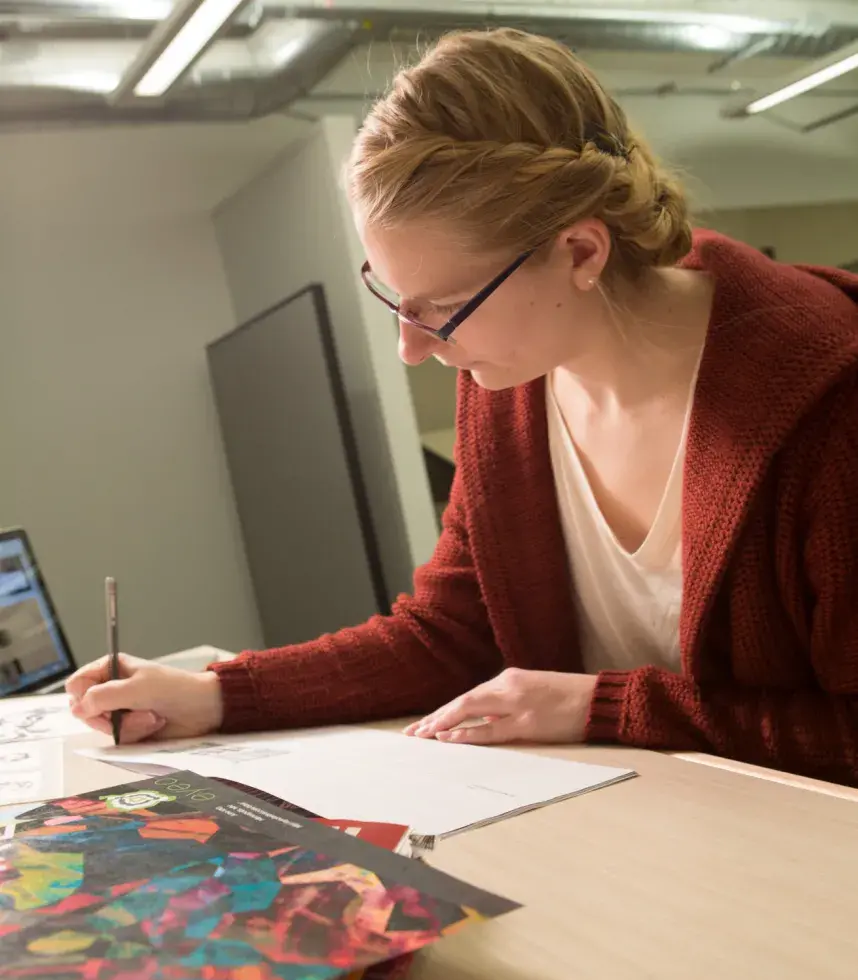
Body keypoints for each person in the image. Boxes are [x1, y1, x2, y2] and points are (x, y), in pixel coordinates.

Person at [67, 28, 858, 785]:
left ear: (581, 251)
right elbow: (445, 635)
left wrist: (606, 706)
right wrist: (213, 694)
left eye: (443, 306)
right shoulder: (510, 382)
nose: (413, 347)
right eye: (395, 299)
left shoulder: (829, 401)